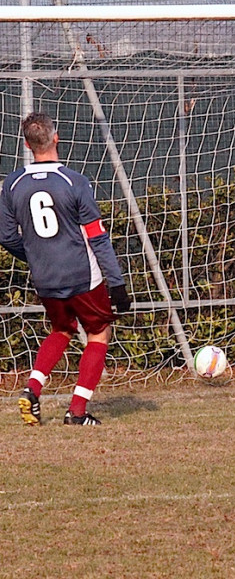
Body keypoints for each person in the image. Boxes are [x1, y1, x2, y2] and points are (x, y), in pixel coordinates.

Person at [0, 112, 131, 426]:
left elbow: (6, 236)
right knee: (98, 333)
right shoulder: (75, 181)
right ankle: (77, 411)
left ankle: (32, 389)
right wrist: (117, 283)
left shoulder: (12, 183)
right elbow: (97, 237)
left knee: (62, 329)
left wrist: (35, 255)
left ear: (28, 145)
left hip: (45, 277)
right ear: (55, 138)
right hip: (82, 275)